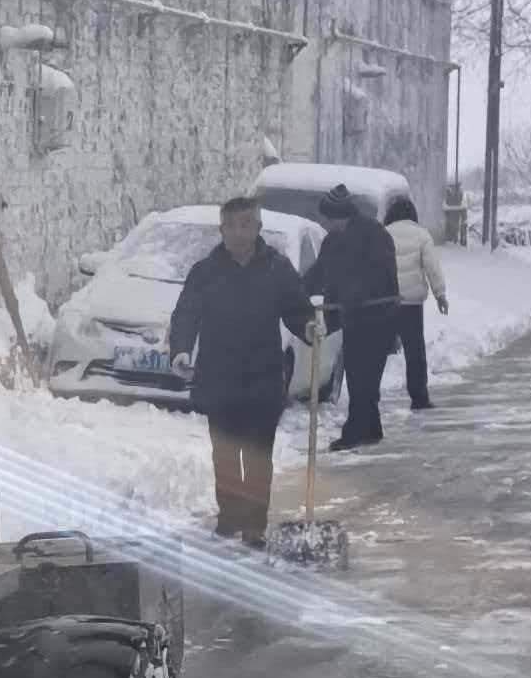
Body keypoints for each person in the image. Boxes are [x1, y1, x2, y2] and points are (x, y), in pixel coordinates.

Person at [169, 198, 313, 545]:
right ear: (221, 230)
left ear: (258, 228)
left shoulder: (277, 268)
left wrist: (309, 327)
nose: (238, 232)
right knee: (226, 455)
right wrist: (181, 349)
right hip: (219, 378)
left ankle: (254, 524)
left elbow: (297, 308)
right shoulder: (205, 272)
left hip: (263, 377)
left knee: (258, 457)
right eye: (231, 225)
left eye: (246, 224)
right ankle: (230, 515)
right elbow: (186, 314)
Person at [310, 184, 404, 447]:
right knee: (357, 376)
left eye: (325, 218)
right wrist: (295, 292)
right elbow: (320, 273)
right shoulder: (332, 241)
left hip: (378, 317)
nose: (323, 223)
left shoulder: (374, 234)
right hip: (353, 318)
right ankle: (371, 428)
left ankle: (355, 431)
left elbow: (381, 273)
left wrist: (354, 295)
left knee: (365, 376)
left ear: (337, 215)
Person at [385, 193, 448, 413]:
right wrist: (440, 295)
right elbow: (432, 267)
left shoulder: (383, 234)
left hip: (386, 302)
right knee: (415, 352)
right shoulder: (422, 235)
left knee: (379, 351)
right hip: (411, 304)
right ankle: (419, 398)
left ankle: (370, 395)